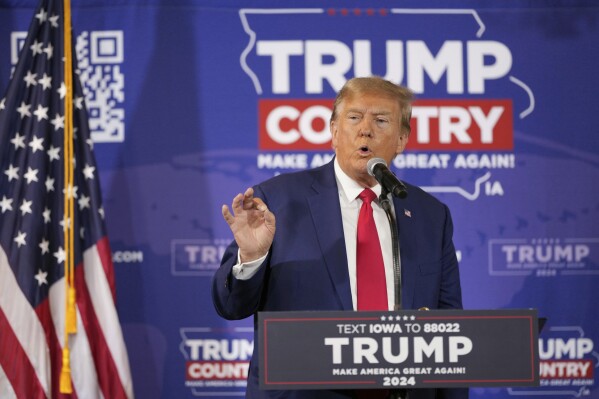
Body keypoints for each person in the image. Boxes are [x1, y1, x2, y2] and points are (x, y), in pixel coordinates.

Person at [212, 77, 467, 399]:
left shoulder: (430, 214)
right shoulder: (278, 201)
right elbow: (230, 306)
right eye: (354, 117)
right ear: (334, 132)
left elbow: (450, 328)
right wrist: (251, 258)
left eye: (381, 120)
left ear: (401, 139)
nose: (366, 130)